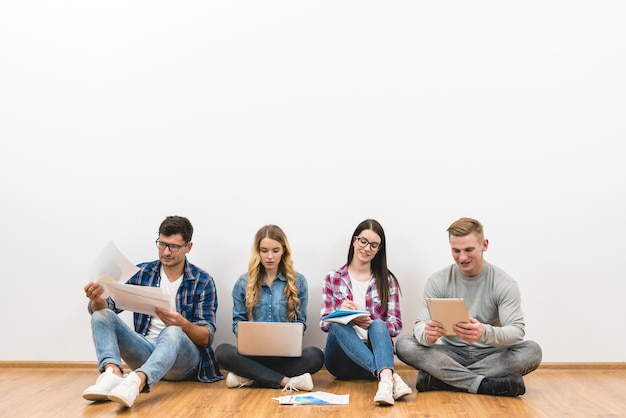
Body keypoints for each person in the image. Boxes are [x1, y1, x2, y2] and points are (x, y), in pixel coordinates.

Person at [82, 216, 223, 408]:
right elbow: (109, 309)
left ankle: (137, 382)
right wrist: (98, 301)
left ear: (188, 247)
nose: (166, 252)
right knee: (101, 314)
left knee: (173, 331)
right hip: (145, 351)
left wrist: (182, 324)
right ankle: (113, 373)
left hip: (183, 361)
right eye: (162, 244)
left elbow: (206, 339)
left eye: (173, 246)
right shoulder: (142, 273)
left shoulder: (202, 281)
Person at [396, 217, 542, 397]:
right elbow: (420, 324)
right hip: (449, 354)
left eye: (468, 250)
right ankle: (483, 385)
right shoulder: (438, 280)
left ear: (485, 245)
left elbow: (516, 332)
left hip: (491, 355)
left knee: (532, 351)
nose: (462, 257)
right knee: (404, 344)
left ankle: (442, 379)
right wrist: (427, 335)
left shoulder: (504, 283)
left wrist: (483, 333)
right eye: (456, 250)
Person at [215, 225, 324, 391]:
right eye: (264, 250)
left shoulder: (298, 281)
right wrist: (250, 338)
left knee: (316, 355)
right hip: (253, 356)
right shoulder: (243, 282)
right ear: (257, 252)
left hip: (285, 357)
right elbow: (238, 322)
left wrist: (288, 338)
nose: (270, 256)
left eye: (275, 250)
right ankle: (286, 381)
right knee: (222, 352)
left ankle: (250, 377)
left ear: (284, 251)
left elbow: (300, 323)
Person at [320, 219, 412, 406]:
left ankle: (384, 378)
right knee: (338, 323)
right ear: (354, 241)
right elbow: (323, 323)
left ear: (379, 249)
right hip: (341, 361)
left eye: (373, 245)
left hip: (375, 354)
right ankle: (390, 376)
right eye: (363, 241)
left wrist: (370, 323)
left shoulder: (387, 281)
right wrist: (342, 315)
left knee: (379, 324)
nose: (367, 248)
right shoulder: (333, 277)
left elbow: (395, 325)